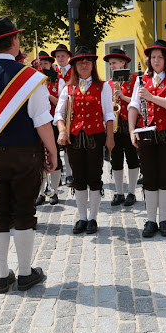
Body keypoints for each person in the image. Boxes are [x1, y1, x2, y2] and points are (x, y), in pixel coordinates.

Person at [0, 17, 56, 293]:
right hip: (25, 154)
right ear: (15, 41)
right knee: (24, 212)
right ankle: (25, 273)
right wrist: (53, 152)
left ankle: (0, 275)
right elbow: (42, 120)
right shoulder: (30, 77)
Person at [55, 47, 115, 235]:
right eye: (80, 62)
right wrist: (62, 130)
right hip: (74, 138)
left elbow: (108, 114)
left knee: (94, 177)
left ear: (93, 65)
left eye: (88, 61)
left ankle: (93, 218)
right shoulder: (68, 88)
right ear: (74, 65)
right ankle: (82, 217)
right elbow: (58, 113)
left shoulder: (103, 86)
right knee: (79, 178)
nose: (84, 64)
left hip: (96, 136)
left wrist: (110, 137)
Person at [128, 39, 166, 238]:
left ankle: (164, 220)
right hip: (146, 133)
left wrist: (151, 97)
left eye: (160, 57)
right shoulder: (141, 79)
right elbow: (133, 106)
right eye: (153, 57)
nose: (156, 61)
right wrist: (131, 130)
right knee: (149, 176)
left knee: (165, 176)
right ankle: (151, 220)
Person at [105, 48, 140, 207]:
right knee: (116, 159)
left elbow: (138, 101)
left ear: (123, 63)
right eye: (110, 64)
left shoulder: (134, 79)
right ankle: (119, 192)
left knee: (132, 158)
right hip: (115, 125)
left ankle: (131, 192)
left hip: (130, 124)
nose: (111, 66)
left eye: (114, 63)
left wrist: (123, 96)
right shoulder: (109, 83)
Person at [35, 51, 64, 205]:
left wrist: (47, 94)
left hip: (52, 122)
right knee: (39, 157)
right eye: (40, 64)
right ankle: (40, 192)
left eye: (46, 63)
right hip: (37, 122)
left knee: (55, 155)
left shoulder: (58, 80)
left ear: (51, 65)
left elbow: (62, 103)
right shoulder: (33, 80)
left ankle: (54, 191)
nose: (43, 66)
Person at [52, 44, 74, 187]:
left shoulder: (73, 70)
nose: (60, 58)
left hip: (71, 110)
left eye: (63, 56)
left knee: (68, 145)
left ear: (68, 57)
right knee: (55, 145)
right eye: (58, 56)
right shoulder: (52, 72)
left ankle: (70, 174)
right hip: (56, 111)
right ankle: (57, 174)